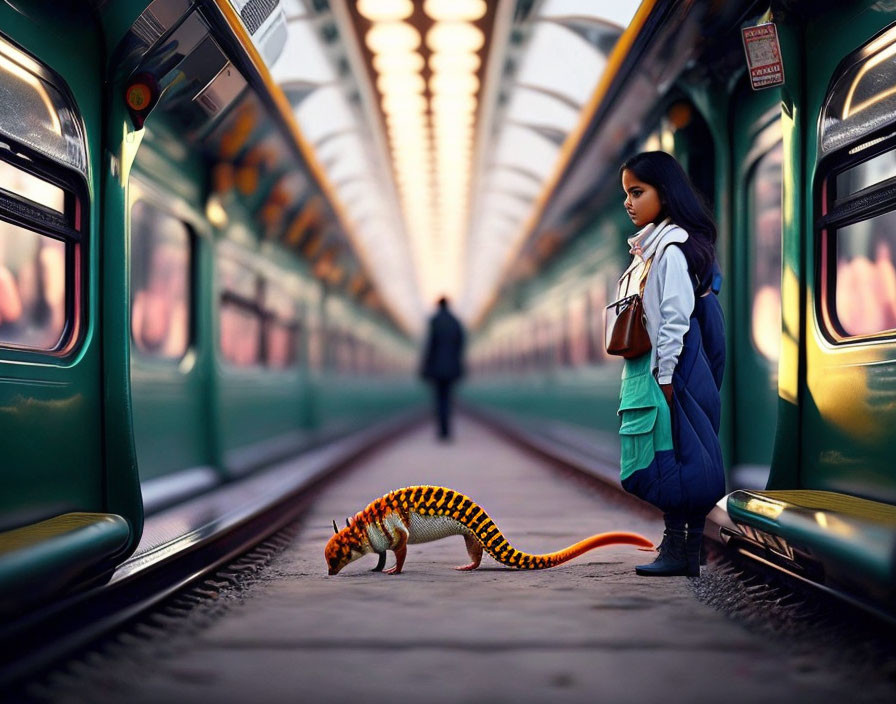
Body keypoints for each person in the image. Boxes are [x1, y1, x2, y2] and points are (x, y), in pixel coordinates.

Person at [615, 151, 726, 577]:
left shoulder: (670, 249)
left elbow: (675, 317)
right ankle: (689, 549)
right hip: (672, 367)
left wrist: (664, 376)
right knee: (682, 456)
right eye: (626, 193)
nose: (628, 202)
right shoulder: (657, 247)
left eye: (637, 192)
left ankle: (678, 550)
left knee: (672, 457)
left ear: (667, 193)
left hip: (672, 369)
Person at [420, 296, 466, 441]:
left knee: (439, 399)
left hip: (437, 368)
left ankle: (441, 430)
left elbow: (430, 345)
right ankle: (447, 430)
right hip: (452, 368)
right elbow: (461, 345)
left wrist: (425, 366)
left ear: (438, 306)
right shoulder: (456, 322)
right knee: (448, 398)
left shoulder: (434, 321)